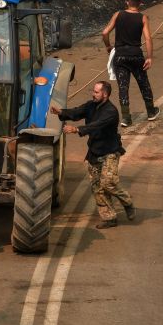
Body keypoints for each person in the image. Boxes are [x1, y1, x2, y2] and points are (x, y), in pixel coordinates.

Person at [50, 81, 135, 229]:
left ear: (105, 94)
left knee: (108, 183)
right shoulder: (91, 105)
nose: (93, 94)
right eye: (93, 91)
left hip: (110, 152)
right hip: (94, 151)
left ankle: (127, 202)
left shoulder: (111, 112)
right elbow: (77, 112)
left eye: (96, 92)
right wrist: (61, 112)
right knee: (97, 187)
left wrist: (77, 130)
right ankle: (109, 218)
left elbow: (95, 125)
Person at [101, 0, 159, 127]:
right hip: (135, 55)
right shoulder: (143, 18)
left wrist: (108, 46)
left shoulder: (118, 14)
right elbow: (148, 39)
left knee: (123, 86)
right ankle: (151, 112)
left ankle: (126, 118)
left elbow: (104, 32)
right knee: (143, 83)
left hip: (120, 56)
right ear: (140, 4)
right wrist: (149, 57)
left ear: (127, 2)